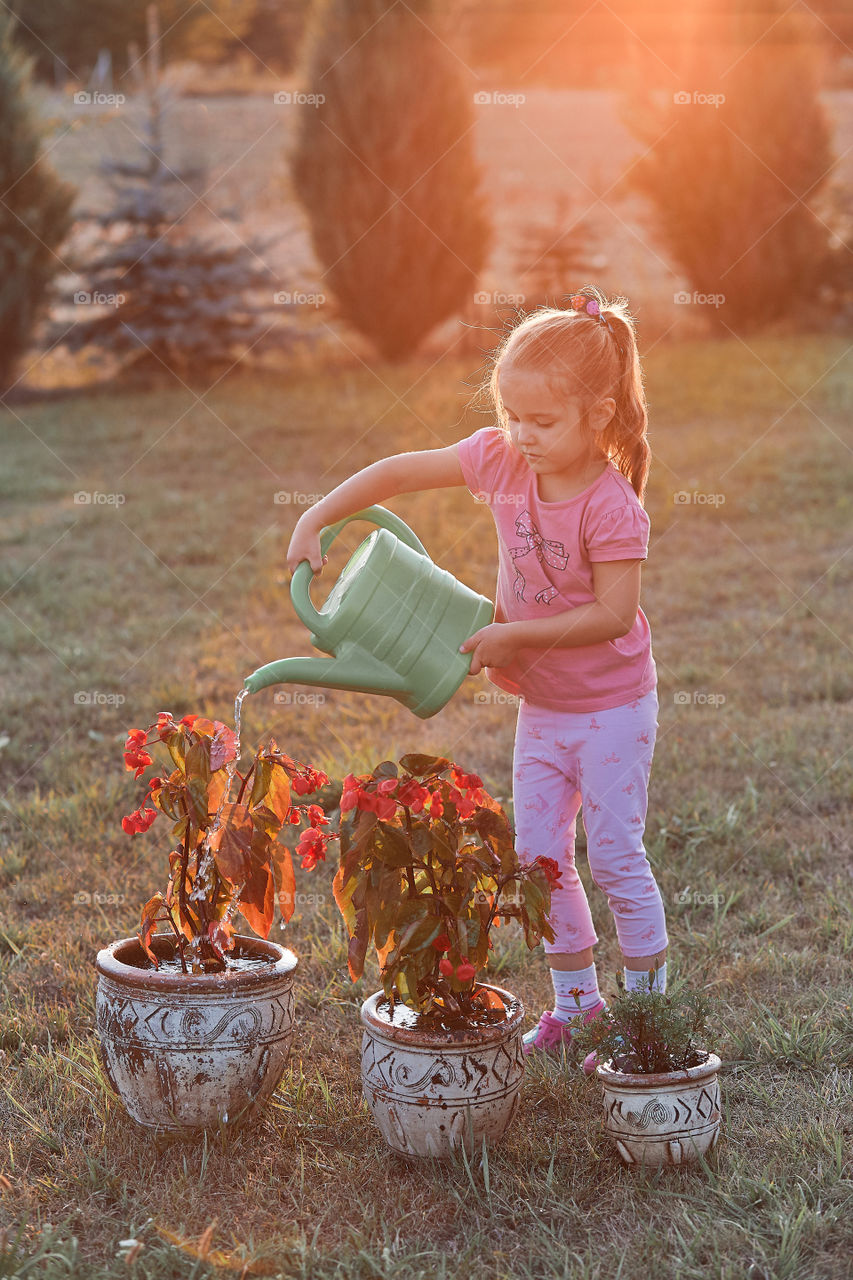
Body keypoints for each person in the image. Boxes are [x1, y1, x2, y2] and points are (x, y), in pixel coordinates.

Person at [286, 286, 668, 1061]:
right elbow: (395, 471)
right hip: (545, 708)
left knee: (616, 855)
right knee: (538, 858)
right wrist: (315, 515)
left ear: (597, 414)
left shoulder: (609, 505)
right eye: (511, 416)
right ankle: (576, 1007)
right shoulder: (498, 460)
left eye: (542, 421)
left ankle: (645, 1019)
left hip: (611, 709)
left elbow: (613, 617)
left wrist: (511, 636)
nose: (521, 436)